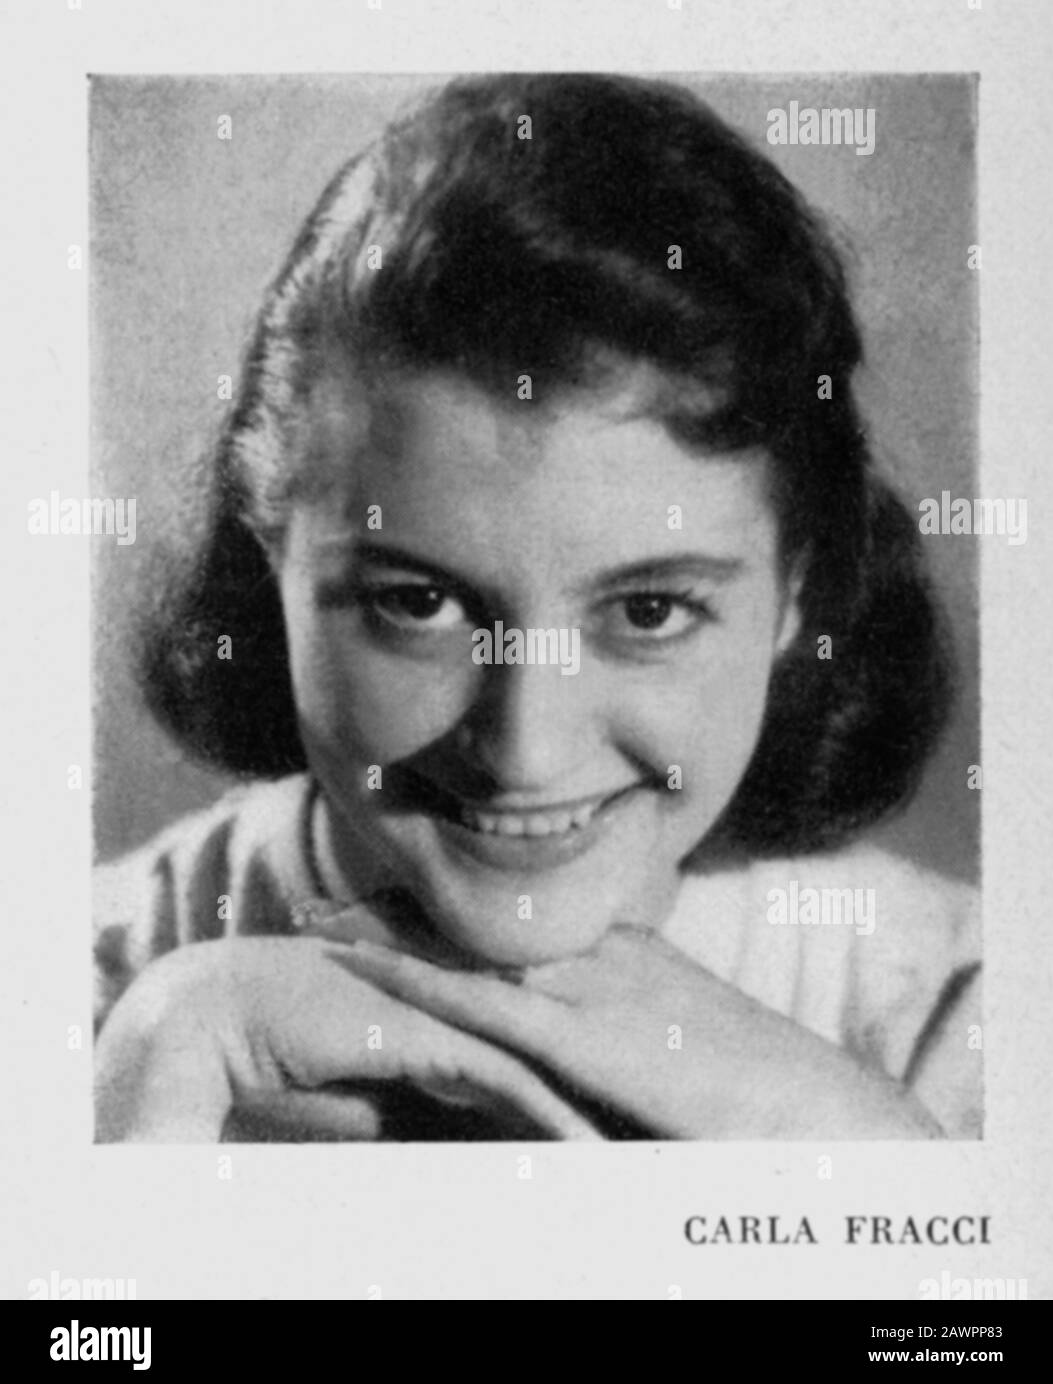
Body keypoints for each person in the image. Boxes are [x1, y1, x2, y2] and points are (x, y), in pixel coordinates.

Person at [94, 73, 980, 1142]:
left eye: (650, 611)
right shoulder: (70, 986)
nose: (526, 752)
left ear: (797, 591)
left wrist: (847, 1139)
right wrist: (152, 1078)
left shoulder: (961, 1017)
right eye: (416, 602)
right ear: (266, 552)